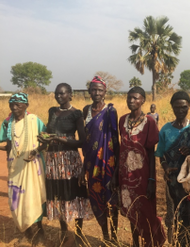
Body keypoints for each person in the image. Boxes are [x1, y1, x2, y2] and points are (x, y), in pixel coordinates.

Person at [38, 83, 92, 246]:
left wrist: (58, 139)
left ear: (70, 94)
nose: (58, 96)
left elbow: (82, 141)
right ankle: (63, 232)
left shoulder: (76, 114)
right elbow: (49, 131)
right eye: (56, 94)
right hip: (53, 160)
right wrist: (43, 139)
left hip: (69, 160)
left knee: (74, 194)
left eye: (62, 94)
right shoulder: (52, 111)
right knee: (59, 195)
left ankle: (79, 234)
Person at [111, 86, 165, 247]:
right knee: (131, 210)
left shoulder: (149, 121)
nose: (131, 101)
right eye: (129, 98)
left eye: (135, 98)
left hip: (142, 175)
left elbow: (150, 152)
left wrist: (151, 180)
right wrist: (115, 174)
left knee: (145, 210)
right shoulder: (123, 120)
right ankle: (135, 243)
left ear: (143, 100)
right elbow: (122, 149)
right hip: (125, 175)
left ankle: (150, 242)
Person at [155, 91, 190, 246]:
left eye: (184, 107)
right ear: (172, 108)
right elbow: (161, 154)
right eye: (177, 107)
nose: (180, 110)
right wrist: (166, 167)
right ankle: (175, 242)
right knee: (174, 213)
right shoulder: (165, 130)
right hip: (172, 181)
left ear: (188, 106)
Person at [0, 93, 46, 242]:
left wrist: (36, 151)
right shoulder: (7, 123)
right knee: (16, 200)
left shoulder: (34, 121)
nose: (14, 107)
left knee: (33, 197)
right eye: (12, 104)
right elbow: (6, 143)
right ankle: (27, 232)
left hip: (32, 164)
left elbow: (46, 141)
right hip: (15, 166)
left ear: (26, 106)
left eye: (18, 105)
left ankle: (39, 230)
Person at [82, 76, 119, 244]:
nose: (96, 93)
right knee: (96, 197)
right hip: (91, 162)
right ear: (89, 92)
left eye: (100, 90)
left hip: (108, 161)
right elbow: (85, 138)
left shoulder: (110, 111)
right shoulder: (85, 110)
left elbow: (115, 138)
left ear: (105, 92)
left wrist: (117, 166)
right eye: (93, 89)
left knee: (111, 198)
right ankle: (105, 234)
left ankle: (115, 235)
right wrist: (84, 165)